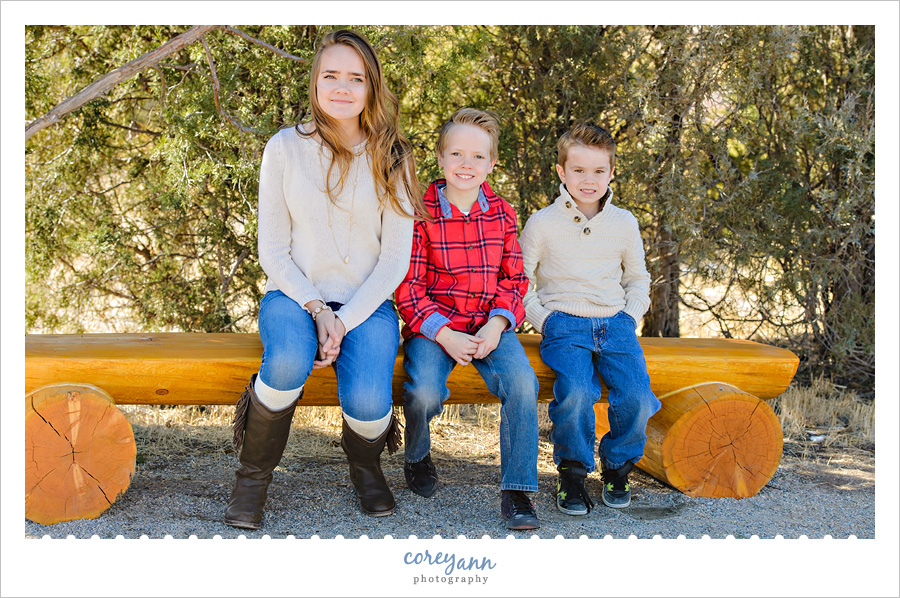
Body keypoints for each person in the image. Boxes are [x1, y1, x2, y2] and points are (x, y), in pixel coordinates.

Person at [225, 29, 428, 529]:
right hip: (293, 296)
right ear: (315, 82)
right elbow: (272, 250)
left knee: (366, 400)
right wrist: (318, 311)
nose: (342, 87)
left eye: (355, 78)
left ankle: (365, 468)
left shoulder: (394, 156)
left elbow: (393, 262)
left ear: (371, 89)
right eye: (330, 75)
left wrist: (345, 319)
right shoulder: (284, 148)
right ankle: (252, 480)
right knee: (290, 359)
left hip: (367, 301)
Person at [395, 108, 541, 530]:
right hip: (435, 326)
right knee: (423, 391)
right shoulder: (419, 212)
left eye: (478, 157)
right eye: (456, 153)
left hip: (488, 324)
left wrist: (497, 324)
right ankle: (418, 454)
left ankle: (517, 491)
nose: (466, 164)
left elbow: (515, 278)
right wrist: (444, 334)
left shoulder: (501, 212)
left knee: (522, 383)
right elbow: (408, 287)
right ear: (440, 158)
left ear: (492, 164)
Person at [519, 122, 661, 515]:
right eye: (579, 170)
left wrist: (630, 316)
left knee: (635, 394)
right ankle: (573, 474)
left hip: (615, 323)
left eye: (599, 171)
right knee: (578, 392)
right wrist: (544, 320)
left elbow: (637, 278)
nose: (589, 179)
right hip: (564, 323)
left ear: (612, 172)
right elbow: (521, 280)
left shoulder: (624, 223)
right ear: (562, 172)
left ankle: (617, 467)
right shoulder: (543, 223)